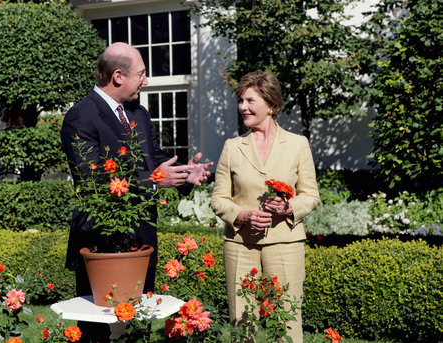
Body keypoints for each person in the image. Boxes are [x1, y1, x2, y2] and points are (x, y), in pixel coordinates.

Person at [61, 42, 213, 342]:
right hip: (101, 246)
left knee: (138, 329)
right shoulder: (80, 116)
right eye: (142, 74)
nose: (147, 81)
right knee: (97, 334)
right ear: (118, 76)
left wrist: (183, 174)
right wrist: (156, 181)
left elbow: (154, 162)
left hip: (141, 242)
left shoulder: (138, 113)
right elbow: (93, 179)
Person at [210, 70, 320, 342]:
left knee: (288, 322)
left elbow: (311, 195)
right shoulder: (232, 147)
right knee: (242, 324)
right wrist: (241, 214)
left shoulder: (297, 145)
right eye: (241, 101)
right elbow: (218, 199)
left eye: (250, 101)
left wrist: (289, 208)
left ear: (271, 105)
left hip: (286, 244)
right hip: (240, 246)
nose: (243, 107)